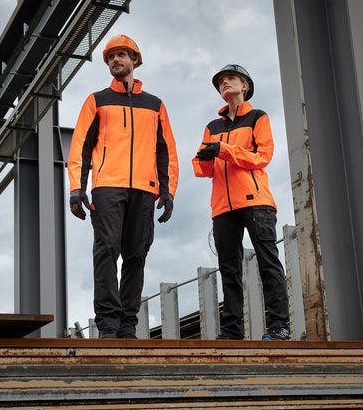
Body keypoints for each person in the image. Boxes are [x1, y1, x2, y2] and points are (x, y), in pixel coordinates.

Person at [67, 35, 179, 339]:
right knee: (106, 251)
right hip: (107, 186)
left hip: (144, 188)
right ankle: (108, 325)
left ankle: (128, 326)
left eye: (121, 55)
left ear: (135, 61)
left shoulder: (155, 105)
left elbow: (165, 150)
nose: (115, 60)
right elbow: (80, 147)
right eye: (110, 57)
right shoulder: (96, 100)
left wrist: (168, 192)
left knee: (136, 255)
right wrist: (77, 188)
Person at [193, 64, 290, 341]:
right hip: (222, 204)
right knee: (229, 269)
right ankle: (232, 332)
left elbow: (262, 156)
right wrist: (204, 159)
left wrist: (224, 150)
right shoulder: (212, 127)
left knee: (268, 262)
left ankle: (279, 326)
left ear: (245, 85)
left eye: (230, 79)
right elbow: (202, 167)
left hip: (255, 200)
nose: (224, 83)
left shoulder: (259, 117)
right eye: (220, 81)